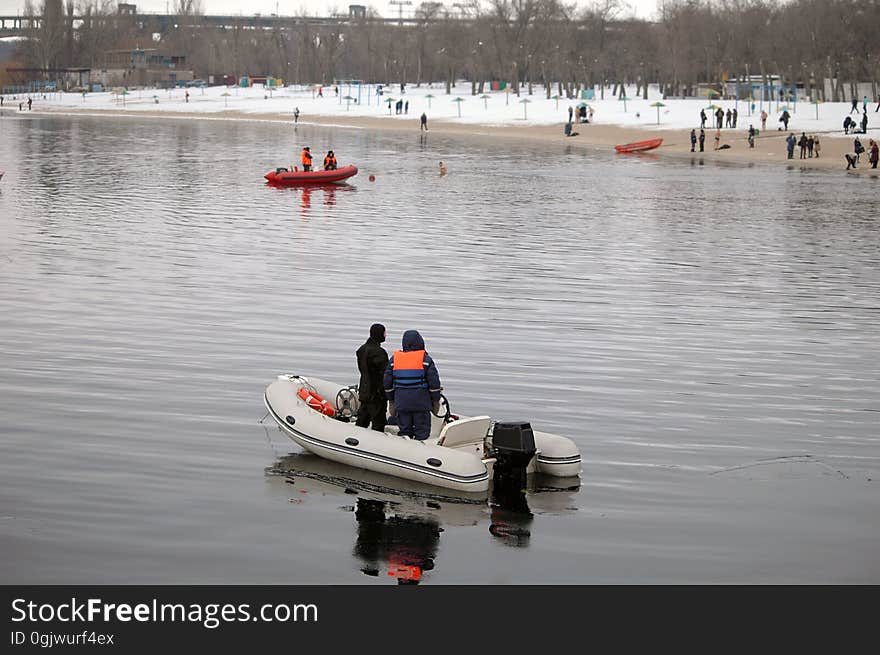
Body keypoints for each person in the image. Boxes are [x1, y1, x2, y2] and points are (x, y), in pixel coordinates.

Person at [383, 330, 443, 441]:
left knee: (405, 432)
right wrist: (436, 401)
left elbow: (387, 382)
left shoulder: (394, 360)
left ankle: (404, 451)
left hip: (402, 404)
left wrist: (391, 400)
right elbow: (434, 383)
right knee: (422, 432)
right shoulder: (426, 360)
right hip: (421, 405)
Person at [355, 323, 389, 432]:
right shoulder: (379, 353)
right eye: (384, 333)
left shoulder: (361, 350)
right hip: (376, 394)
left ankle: (356, 439)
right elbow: (384, 374)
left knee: (362, 420)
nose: (386, 335)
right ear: (379, 334)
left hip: (364, 390)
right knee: (378, 423)